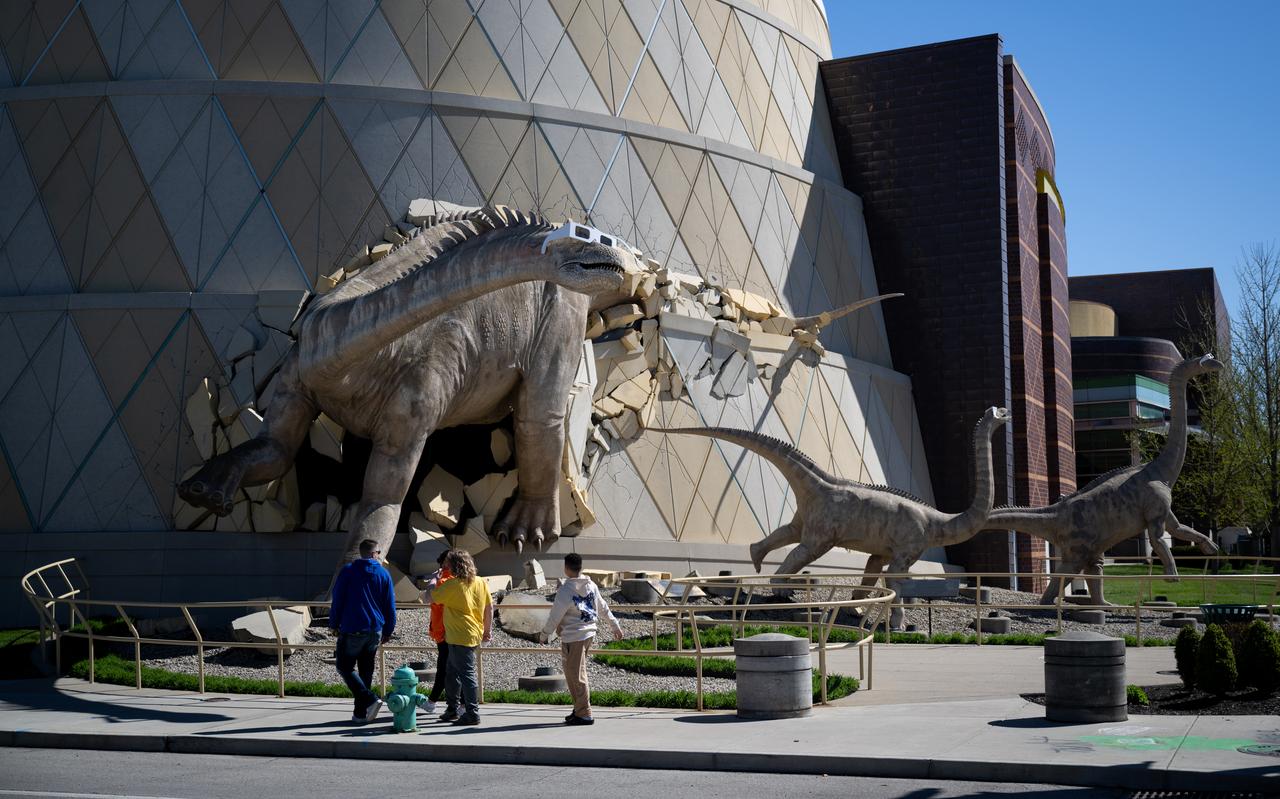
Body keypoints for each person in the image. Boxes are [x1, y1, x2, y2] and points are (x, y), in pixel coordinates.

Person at [538, 552, 623, 726]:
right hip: (588, 633)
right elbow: (603, 607)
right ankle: (579, 708)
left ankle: (585, 713)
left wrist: (545, 634)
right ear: (580, 567)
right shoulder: (591, 585)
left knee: (576, 675)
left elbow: (555, 616)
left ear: (566, 568)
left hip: (573, 636)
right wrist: (614, 625)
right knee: (573, 673)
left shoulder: (566, 590)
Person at [329, 538, 396, 724]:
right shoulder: (383, 574)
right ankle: (360, 713)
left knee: (344, 667)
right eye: (379, 553)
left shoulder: (348, 572)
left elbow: (338, 600)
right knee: (366, 671)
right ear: (375, 553)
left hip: (352, 628)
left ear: (362, 552)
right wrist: (389, 630)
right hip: (375, 629)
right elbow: (390, 605)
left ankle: (370, 700)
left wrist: (333, 623)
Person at [426, 549, 492, 726]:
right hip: (472, 633)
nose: (446, 566)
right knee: (451, 673)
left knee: (466, 675)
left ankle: (472, 712)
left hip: (457, 636)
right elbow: (489, 608)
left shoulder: (452, 585)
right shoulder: (480, 582)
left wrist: (433, 580)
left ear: (454, 565)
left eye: (448, 563)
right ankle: (452, 708)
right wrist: (487, 630)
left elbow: (429, 597)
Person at [425, 549, 451, 709]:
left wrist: (434, 578)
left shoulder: (444, 581)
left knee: (444, 668)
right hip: (451, 630)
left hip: (444, 631)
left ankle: (432, 701)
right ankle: (458, 704)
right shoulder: (465, 580)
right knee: (453, 668)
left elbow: (428, 596)